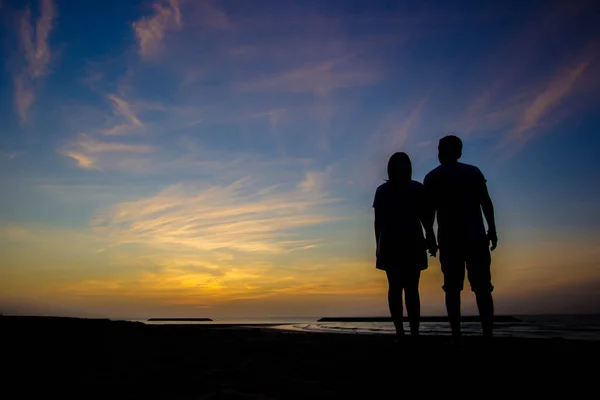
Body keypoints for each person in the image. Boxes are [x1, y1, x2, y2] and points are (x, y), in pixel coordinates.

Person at [423, 135, 498, 341]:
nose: (439, 153)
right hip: (471, 237)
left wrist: (430, 237)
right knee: (480, 288)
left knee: (454, 288)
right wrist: (492, 229)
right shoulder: (471, 172)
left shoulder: (434, 177)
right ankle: (486, 334)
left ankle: (458, 333)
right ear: (459, 152)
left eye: (440, 149)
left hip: (452, 240)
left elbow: (428, 213)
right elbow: (486, 202)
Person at [373, 152, 437, 339]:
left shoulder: (384, 191)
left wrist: (378, 245)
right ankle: (410, 331)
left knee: (398, 288)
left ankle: (403, 331)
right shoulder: (414, 188)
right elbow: (426, 219)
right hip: (407, 242)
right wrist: (431, 238)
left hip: (398, 242)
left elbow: (378, 222)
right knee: (409, 289)